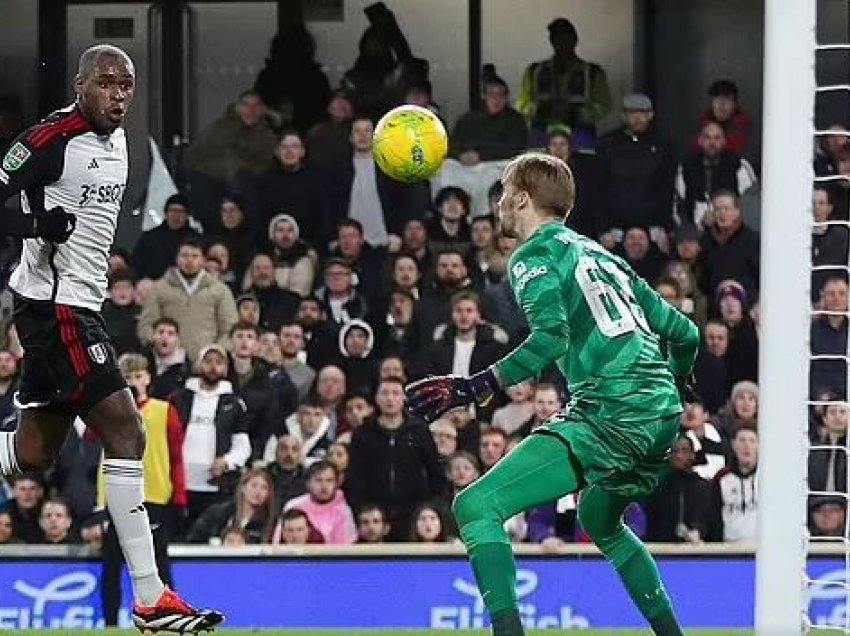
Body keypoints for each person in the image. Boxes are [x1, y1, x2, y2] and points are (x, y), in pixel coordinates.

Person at [405, 153, 699, 636]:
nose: (498, 202)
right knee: (599, 518)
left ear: (520, 199)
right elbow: (684, 332)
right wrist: (676, 381)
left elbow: (550, 339)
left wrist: (471, 387)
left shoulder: (534, 256)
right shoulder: (607, 258)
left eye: (501, 191)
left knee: (475, 507)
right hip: (661, 415)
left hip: (611, 412)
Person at [0, 44, 221, 631]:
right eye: (105, 84)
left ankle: (151, 601)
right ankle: (151, 600)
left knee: (34, 453)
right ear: (80, 85)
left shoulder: (121, 141)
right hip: (56, 307)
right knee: (127, 429)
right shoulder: (50, 140)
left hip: (78, 304)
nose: (117, 96)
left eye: (126, 86)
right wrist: (34, 224)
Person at [516, 18, 611, 147]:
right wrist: (536, 109)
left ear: (575, 40)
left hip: (579, 131)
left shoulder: (592, 72)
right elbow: (521, 102)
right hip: (542, 130)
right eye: (556, 38)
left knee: (583, 164)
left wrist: (581, 114)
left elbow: (604, 104)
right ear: (551, 41)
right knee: (539, 165)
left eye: (565, 38)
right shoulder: (535, 71)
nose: (561, 43)